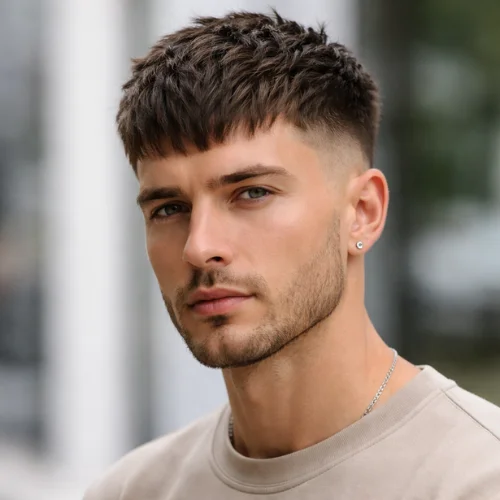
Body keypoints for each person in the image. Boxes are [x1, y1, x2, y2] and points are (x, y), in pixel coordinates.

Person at [84, 10, 500, 500]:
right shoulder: (134, 490)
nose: (199, 247)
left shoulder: (475, 479)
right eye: (169, 208)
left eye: (252, 193)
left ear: (363, 212)